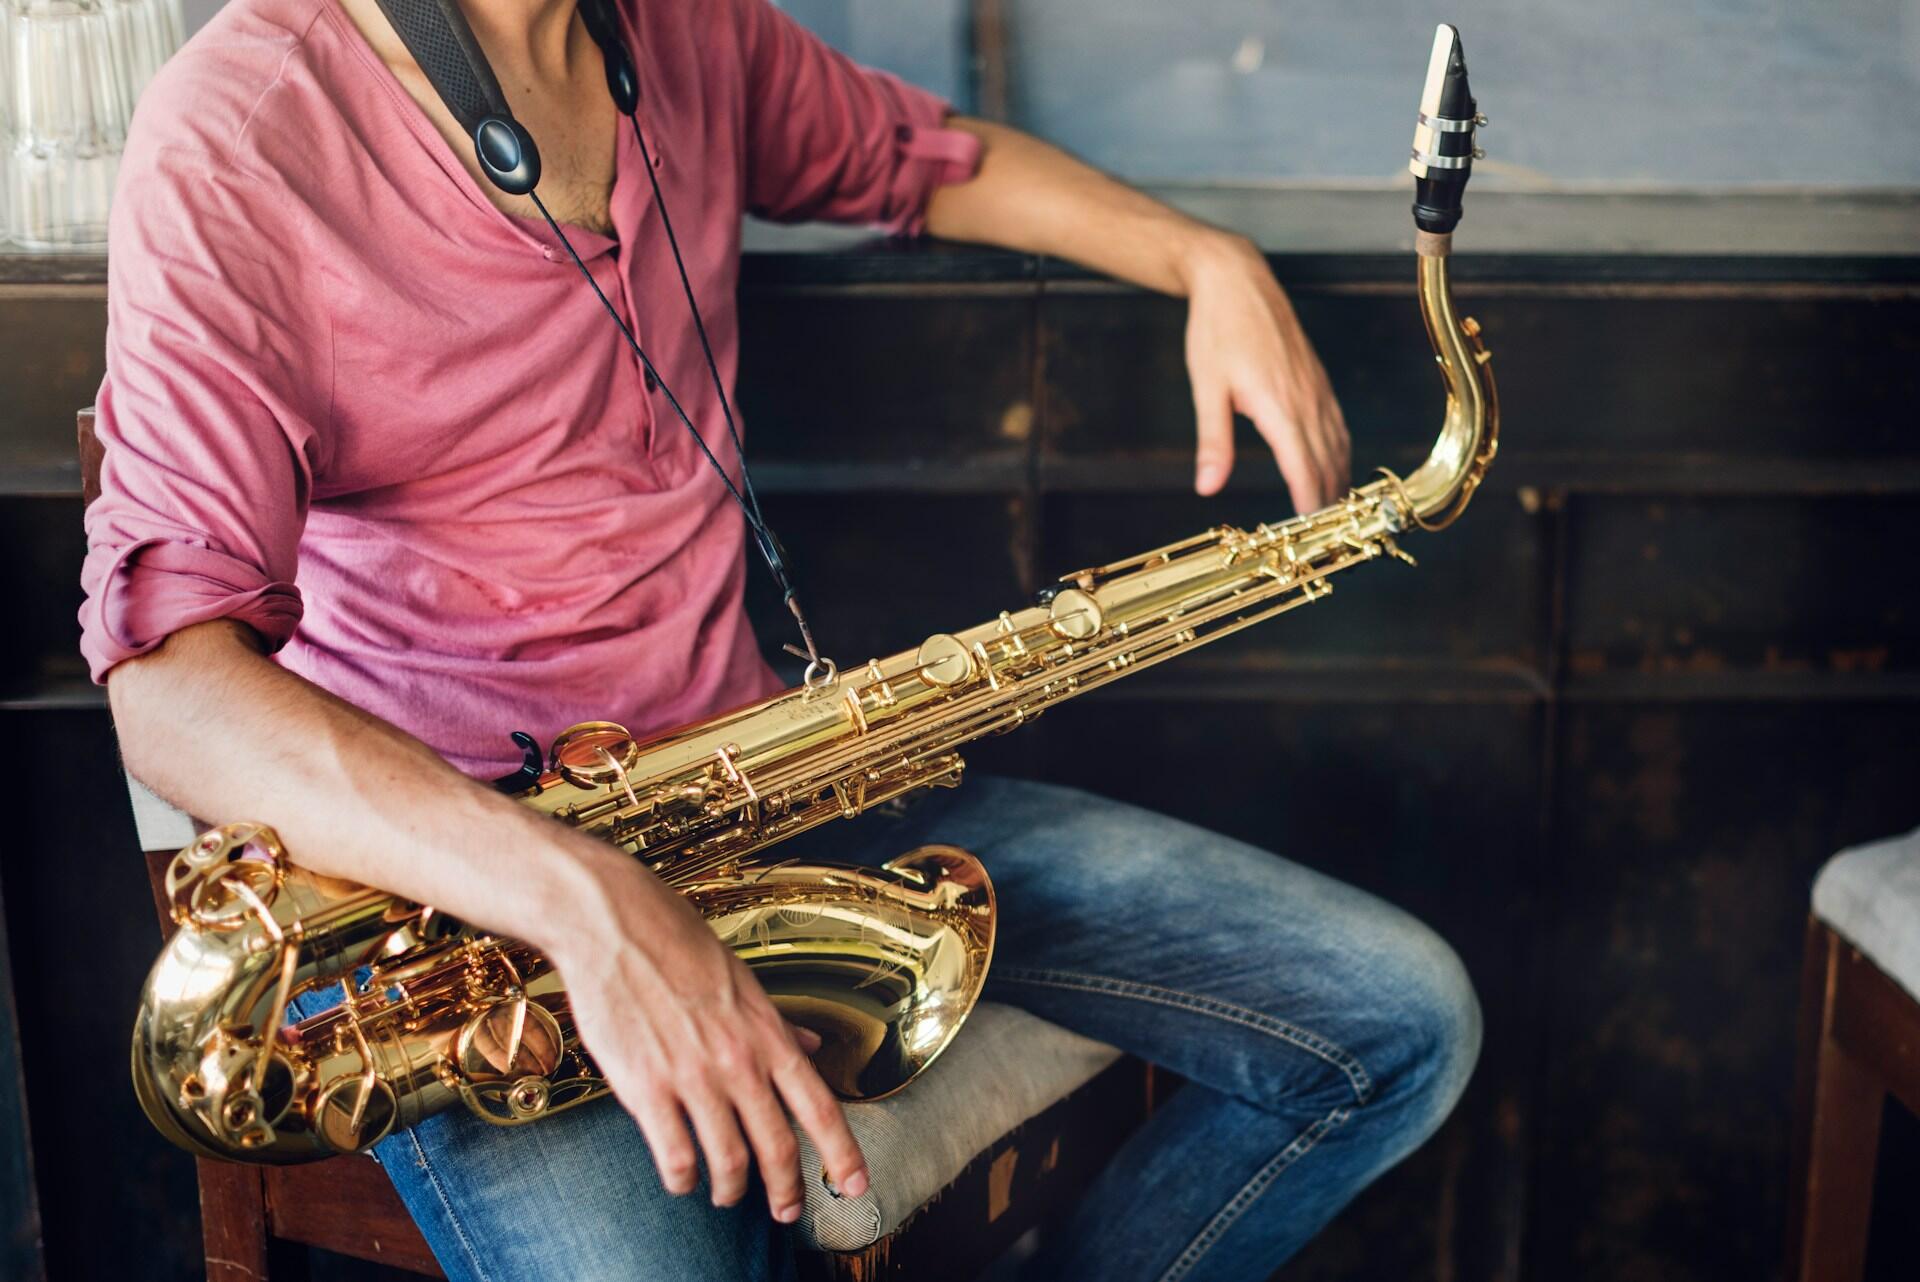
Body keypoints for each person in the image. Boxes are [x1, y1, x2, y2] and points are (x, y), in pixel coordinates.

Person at [84, 0, 1480, 1276]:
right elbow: (174, 695)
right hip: (470, 926)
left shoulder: (687, 28)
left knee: (1402, 1024)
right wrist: (585, 900)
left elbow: (922, 157)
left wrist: (1204, 257)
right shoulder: (242, 134)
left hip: (780, 800)